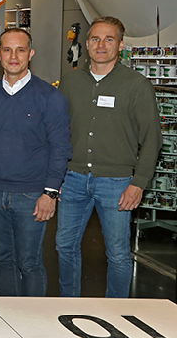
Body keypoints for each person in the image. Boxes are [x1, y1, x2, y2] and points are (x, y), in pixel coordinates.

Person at [56, 17, 162, 298]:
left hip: (117, 184)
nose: (101, 45)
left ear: (121, 45)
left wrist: (138, 183)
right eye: (95, 39)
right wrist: (56, 178)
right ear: (87, 44)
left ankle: (117, 311)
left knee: (117, 253)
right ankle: (69, 305)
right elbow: (56, 133)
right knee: (64, 246)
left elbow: (152, 138)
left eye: (109, 39)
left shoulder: (137, 85)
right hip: (73, 179)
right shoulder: (70, 82)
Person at [0, 29, 71, 296]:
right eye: (7, 50)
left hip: (32, 195)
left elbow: (60, 149)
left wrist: (50, 193)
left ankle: (32, 325)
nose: (14, 56)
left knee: (30, 262)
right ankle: (9, 319)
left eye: (20, 50)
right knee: (3, 259)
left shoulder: (51, 98)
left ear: (30, 54)